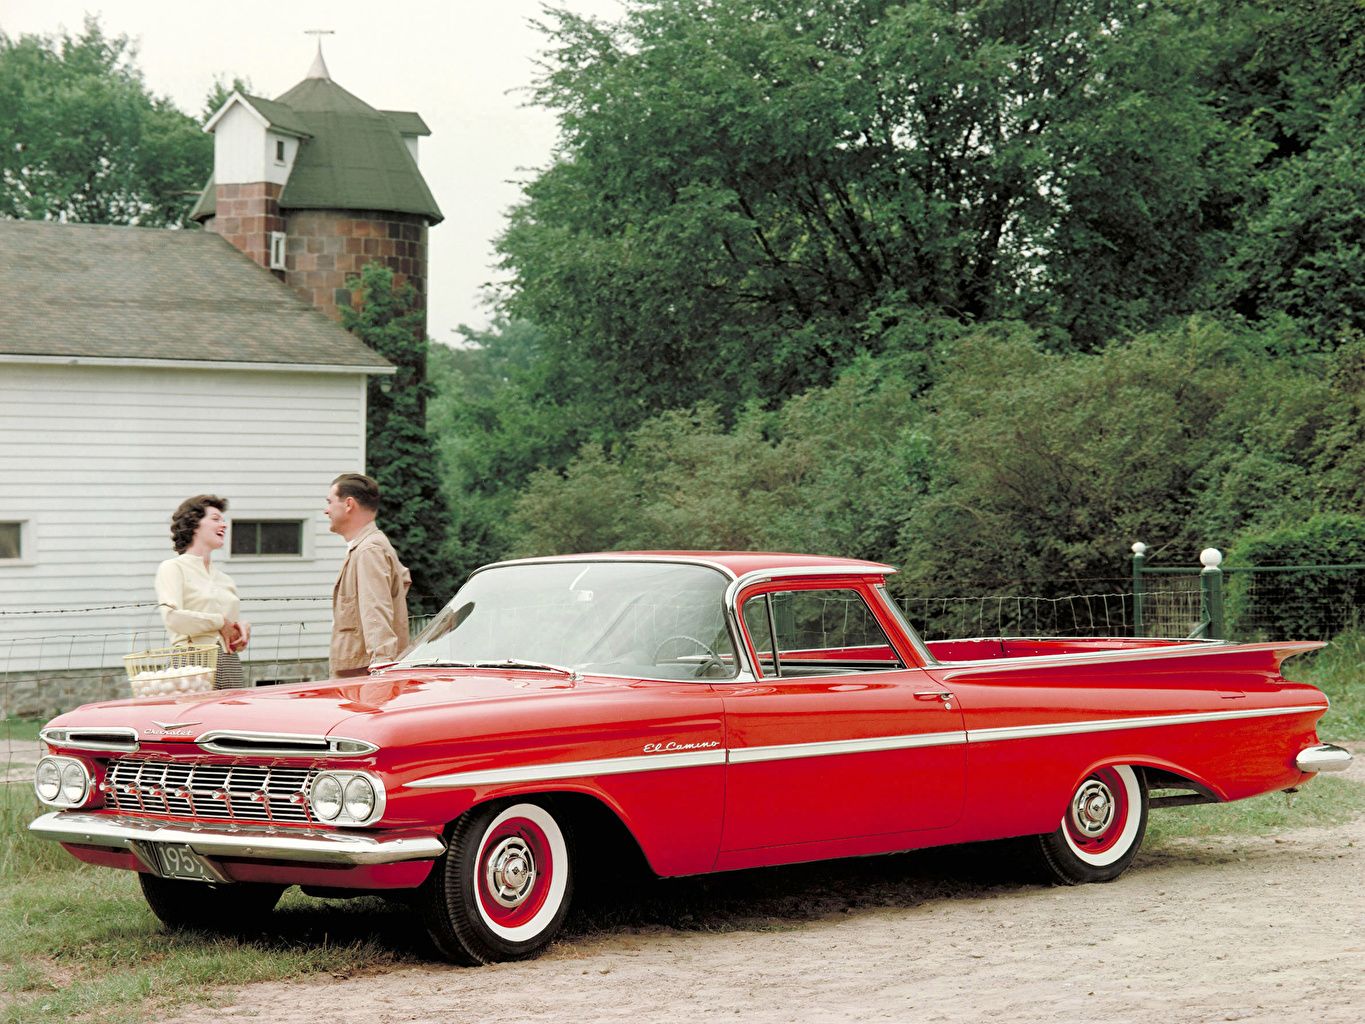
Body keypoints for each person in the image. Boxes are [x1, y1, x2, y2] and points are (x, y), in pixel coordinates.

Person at [155, 495, 251, 688]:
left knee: (232, 717)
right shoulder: (173, 567)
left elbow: (227, 636)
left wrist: (239, 632)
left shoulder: (225, 579)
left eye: (223, 520)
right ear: (194, 524)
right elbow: (172, 618)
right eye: (216, 519)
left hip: (229, 663)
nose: (224, 525)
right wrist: (220, 622)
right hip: (191, 661)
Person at [324, 473, 412, 677]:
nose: (326, 510)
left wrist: (381, 671)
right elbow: (404, 579)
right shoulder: (370, 547)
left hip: (361, 681)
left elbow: (376, 611)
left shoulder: (368, 551)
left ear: (348, 504)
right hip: (358, 674)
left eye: (329, 502)